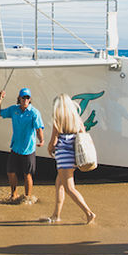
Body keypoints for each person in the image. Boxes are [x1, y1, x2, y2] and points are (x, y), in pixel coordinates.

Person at [44, 94, 96, 224]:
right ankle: (56, 215)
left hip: (63, 156)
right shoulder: (76, 118)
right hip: (74, 156)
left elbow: (54, 140)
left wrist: (49, 149)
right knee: (59, 186)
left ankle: (89, 213)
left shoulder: (58, 118)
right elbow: (83, 135)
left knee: (69, 188)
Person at [0, 87, 45, 204]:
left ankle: (27, 197)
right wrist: (0, 99)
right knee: (10, 172)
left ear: (30, 99)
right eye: (23, 97)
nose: (25, 100)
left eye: (27, 98)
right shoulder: (14, 110)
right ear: (19, 98)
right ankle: (14, 194)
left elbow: (38, 128)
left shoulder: (34, 113)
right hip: (15, 147)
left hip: (28, 149)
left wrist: (41, 140)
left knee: (27, 175)